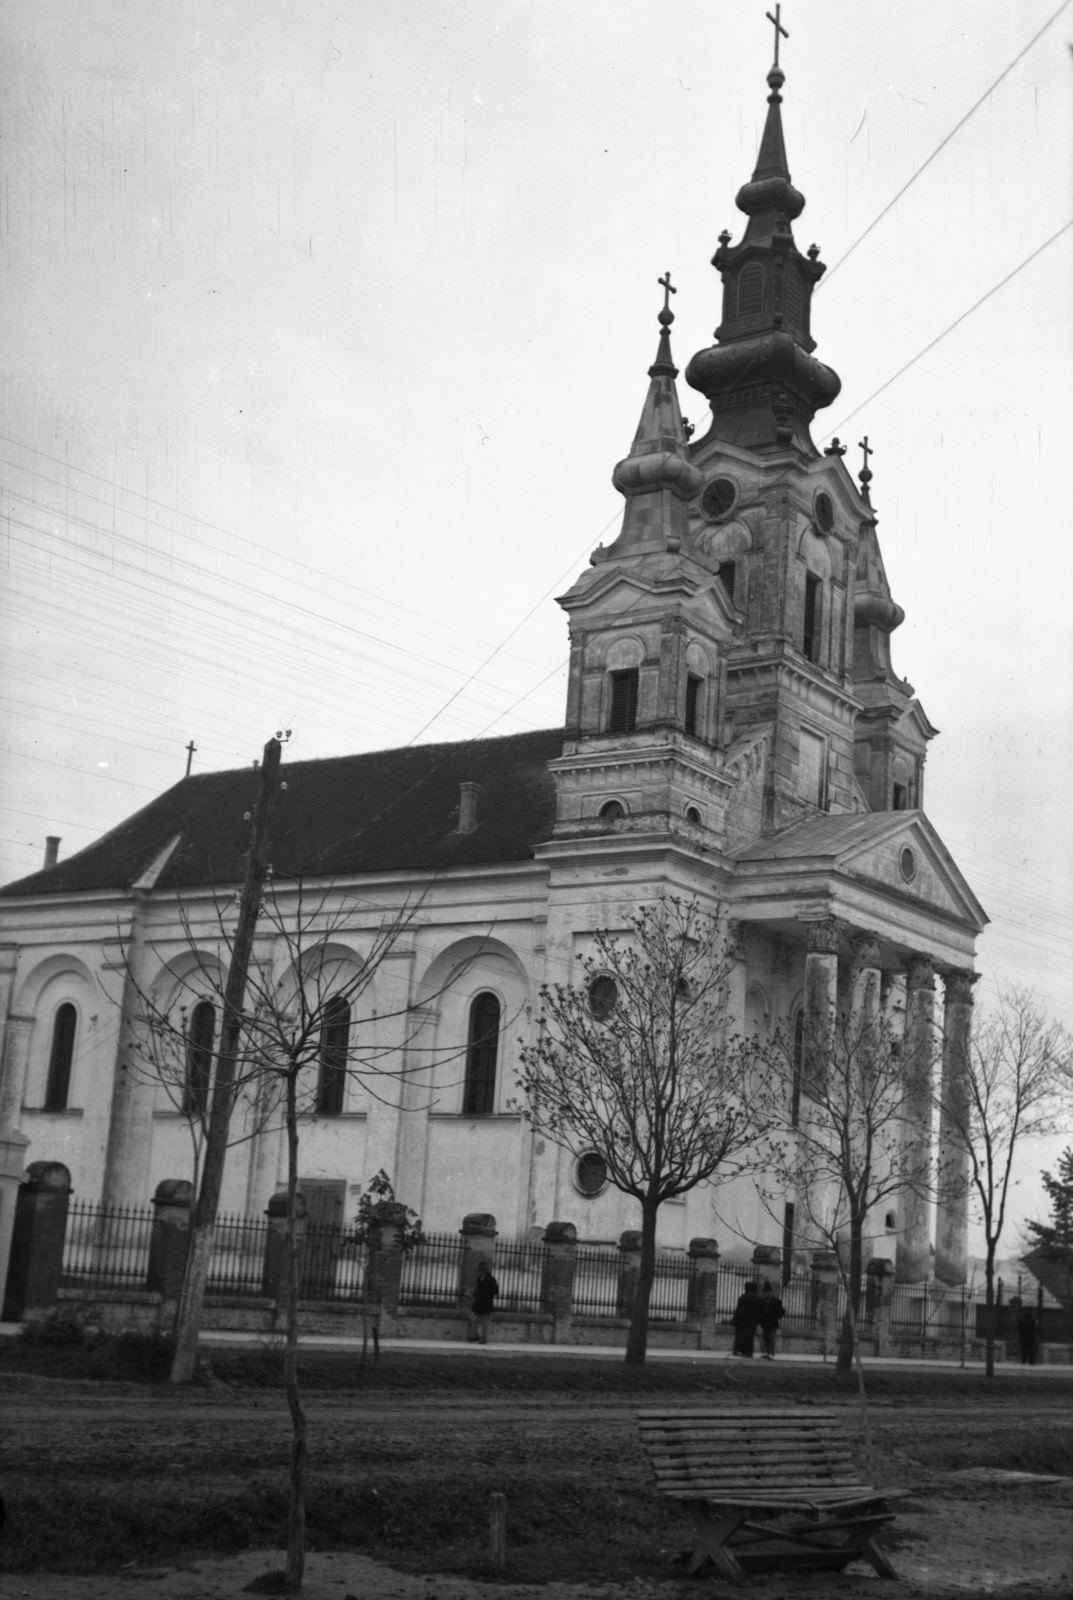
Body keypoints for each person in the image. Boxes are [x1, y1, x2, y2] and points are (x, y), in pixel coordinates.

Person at [730, 1281, 764, 1357]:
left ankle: (739, 1350)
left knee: (740, 1336)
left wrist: (736, 1319)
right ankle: (748, 1351)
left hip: (743, 1320)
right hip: (753, 1321)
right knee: (749, 1337)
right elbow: (760, 1311)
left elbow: (739, 1310)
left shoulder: (743, 1297)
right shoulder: (758, 1298)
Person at [469, 1261, 499, 1345]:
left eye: (480, 1270)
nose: (479, 1272)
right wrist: (475, 1294)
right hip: (479, 1302)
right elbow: (478, 1289)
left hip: (486, 1303)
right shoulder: (479, 1279)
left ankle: (483, 1338)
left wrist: (484, 1295)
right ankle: (475, 1335)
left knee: (485, 1322)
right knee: (473, 1317)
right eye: (479, 1270)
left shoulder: (491, 1279)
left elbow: (495, 1291)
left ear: (484, 1271)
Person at [758, 1279, 786, 1359]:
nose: (766, 1293)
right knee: (766, 1338)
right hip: (765, 1323)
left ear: (770, 1292)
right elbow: (760, 1312)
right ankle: (768, 1353)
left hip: (773, 1322)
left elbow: (782, 1311)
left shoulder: (776, 1301)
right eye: (765, 1292)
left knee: (771, 1338)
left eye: (767, 1292)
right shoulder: (762, 1302)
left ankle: (771, 1353)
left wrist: (776, 1316)